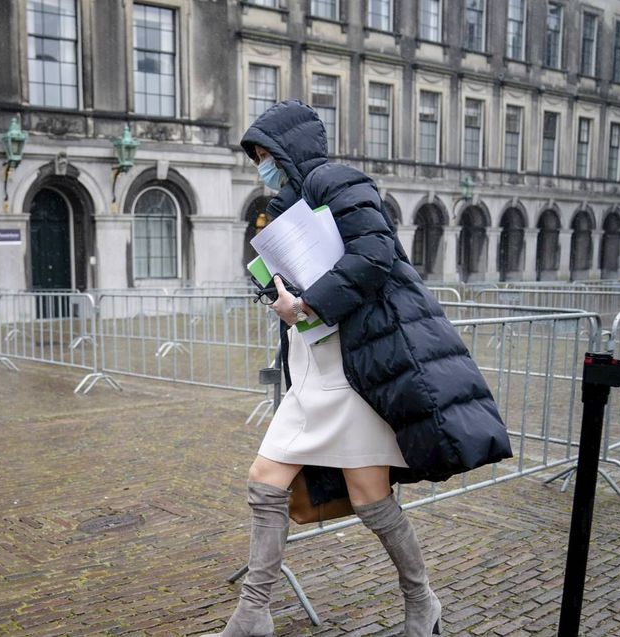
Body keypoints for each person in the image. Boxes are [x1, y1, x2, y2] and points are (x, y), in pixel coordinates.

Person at [204, 101, 513, 637]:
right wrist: (273, 289)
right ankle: (253, 613)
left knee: (370, 496)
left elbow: (374, 254)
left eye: (265, 155)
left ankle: (422, 602)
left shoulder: (338, 181)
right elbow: (282, 269)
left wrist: (307, 304)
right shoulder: (283, 204)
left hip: (355, 371)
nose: (262, 166)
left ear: (288, 150)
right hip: (313, 365)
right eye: (257, 158)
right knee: (265, 480)